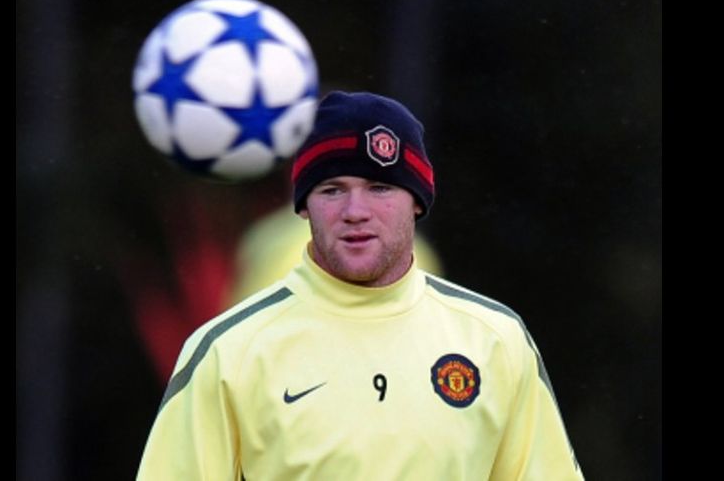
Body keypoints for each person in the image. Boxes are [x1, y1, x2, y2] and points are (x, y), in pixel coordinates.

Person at [136, 91, 584, 480]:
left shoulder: (496, 340)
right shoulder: (227, 351)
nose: (355, 210)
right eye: (332, 189)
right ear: (303, 208)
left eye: (380, 188)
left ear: (418, 203)